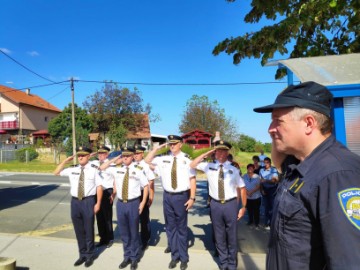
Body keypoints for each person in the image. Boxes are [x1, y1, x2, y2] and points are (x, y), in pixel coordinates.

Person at [253, 81, 360, 269]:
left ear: (309, 123)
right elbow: (277, 161)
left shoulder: (337, 174)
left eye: (278, 120)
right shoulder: (298, 163)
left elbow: (349, 261)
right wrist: (277, 136)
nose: (270, 129)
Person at [190, 140, 247, 270]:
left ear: (228, 153)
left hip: (230, 204)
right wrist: (208, 152)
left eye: (224, 151)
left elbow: (242, 188)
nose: (221, 153)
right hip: (215, 204)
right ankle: (223, 263)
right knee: (219, 236)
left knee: (231, 236)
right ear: (215, 152)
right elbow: (192, 164)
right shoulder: (208, 166)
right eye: (218, 150)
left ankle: (232, 264)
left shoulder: (233, 169)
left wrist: (243, 207)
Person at [145, 135, 196, 270]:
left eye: (174, 143)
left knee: (182, 228)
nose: (172, 146)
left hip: (181, 196)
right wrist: (157, 148)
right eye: (170, 144)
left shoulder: (186, 159)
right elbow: (147, 160)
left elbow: (192, 179)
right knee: (170, 228)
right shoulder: (163, 159)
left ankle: (184, 258)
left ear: (180, 144)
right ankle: (175, 256)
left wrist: (192, 198)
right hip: (167, 196)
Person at [53, 146, 103, 268]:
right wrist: (65, 161)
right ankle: (82, 254)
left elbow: (99, 187)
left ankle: (90, 255)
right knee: (79, 230)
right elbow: (56, 172)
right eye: (78, 155)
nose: (80, 157)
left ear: (88, 156)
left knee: (88, 229)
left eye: (83, 155)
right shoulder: (73, 169)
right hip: (75, 202)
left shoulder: (94, 169)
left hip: (88, 201)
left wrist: (98, 203)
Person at [106, 146, 149, 270]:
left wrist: (142, 203)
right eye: (123, 156)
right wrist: (115, 159)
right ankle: (127, 256)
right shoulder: (117, 169)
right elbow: (102, 168)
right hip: (120, 204)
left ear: (132, 157)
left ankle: (135, 258)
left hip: (133, 203)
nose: (125, 158)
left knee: (134, 231)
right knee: (124, 233)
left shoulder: (138, 169)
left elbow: (145, 186)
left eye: (127, 156)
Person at [92, 145, 115, 248]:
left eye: (103, 153)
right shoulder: (94, 163)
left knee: (107, 216)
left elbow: (116, 181)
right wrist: (91, 154)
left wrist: (113, 194)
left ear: (107, 154)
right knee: (99, 216)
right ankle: (102, 238)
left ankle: (109, 238)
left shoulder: (112, 165)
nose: (100, 155)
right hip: (97, 191)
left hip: (107, 191)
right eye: (99, 153)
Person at [133, 144, 155, 250]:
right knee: (134, 217)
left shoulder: (145, 166)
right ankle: (136, 239)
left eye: (137, 153)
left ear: (142, 154)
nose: (136, 155)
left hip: (143, 194)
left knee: (144, 217)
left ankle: (145, 240)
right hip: (133, 194)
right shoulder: (131, 165)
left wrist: (151, 197)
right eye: (134, 153)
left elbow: (151, 181)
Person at [259, 157, 278, 228]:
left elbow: (275, 181)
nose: (266, 164)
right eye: (265, 162)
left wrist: (266, 180)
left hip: (272, 190)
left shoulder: (274, 170)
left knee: (272, 207)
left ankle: (271, 223)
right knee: (266, 207)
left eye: (267, 162)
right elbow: (260, 181)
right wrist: (261, 190)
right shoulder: (261, 170)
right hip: (264, 189)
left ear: (270, 163)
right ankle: (266, 222)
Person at [243, 163, 261, 228]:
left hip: (256, 197)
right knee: (249, 210)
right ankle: (250, 221)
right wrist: (247, 192)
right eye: (248, 168)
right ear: (247, 169)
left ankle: (256, 223)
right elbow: (243, 185)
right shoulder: (244, 176)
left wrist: (251, 192)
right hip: (247, 197)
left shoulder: (257, 176)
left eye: (251, 168)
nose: (250, 169)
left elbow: (259, 186)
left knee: (256, 210)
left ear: (253, 169)